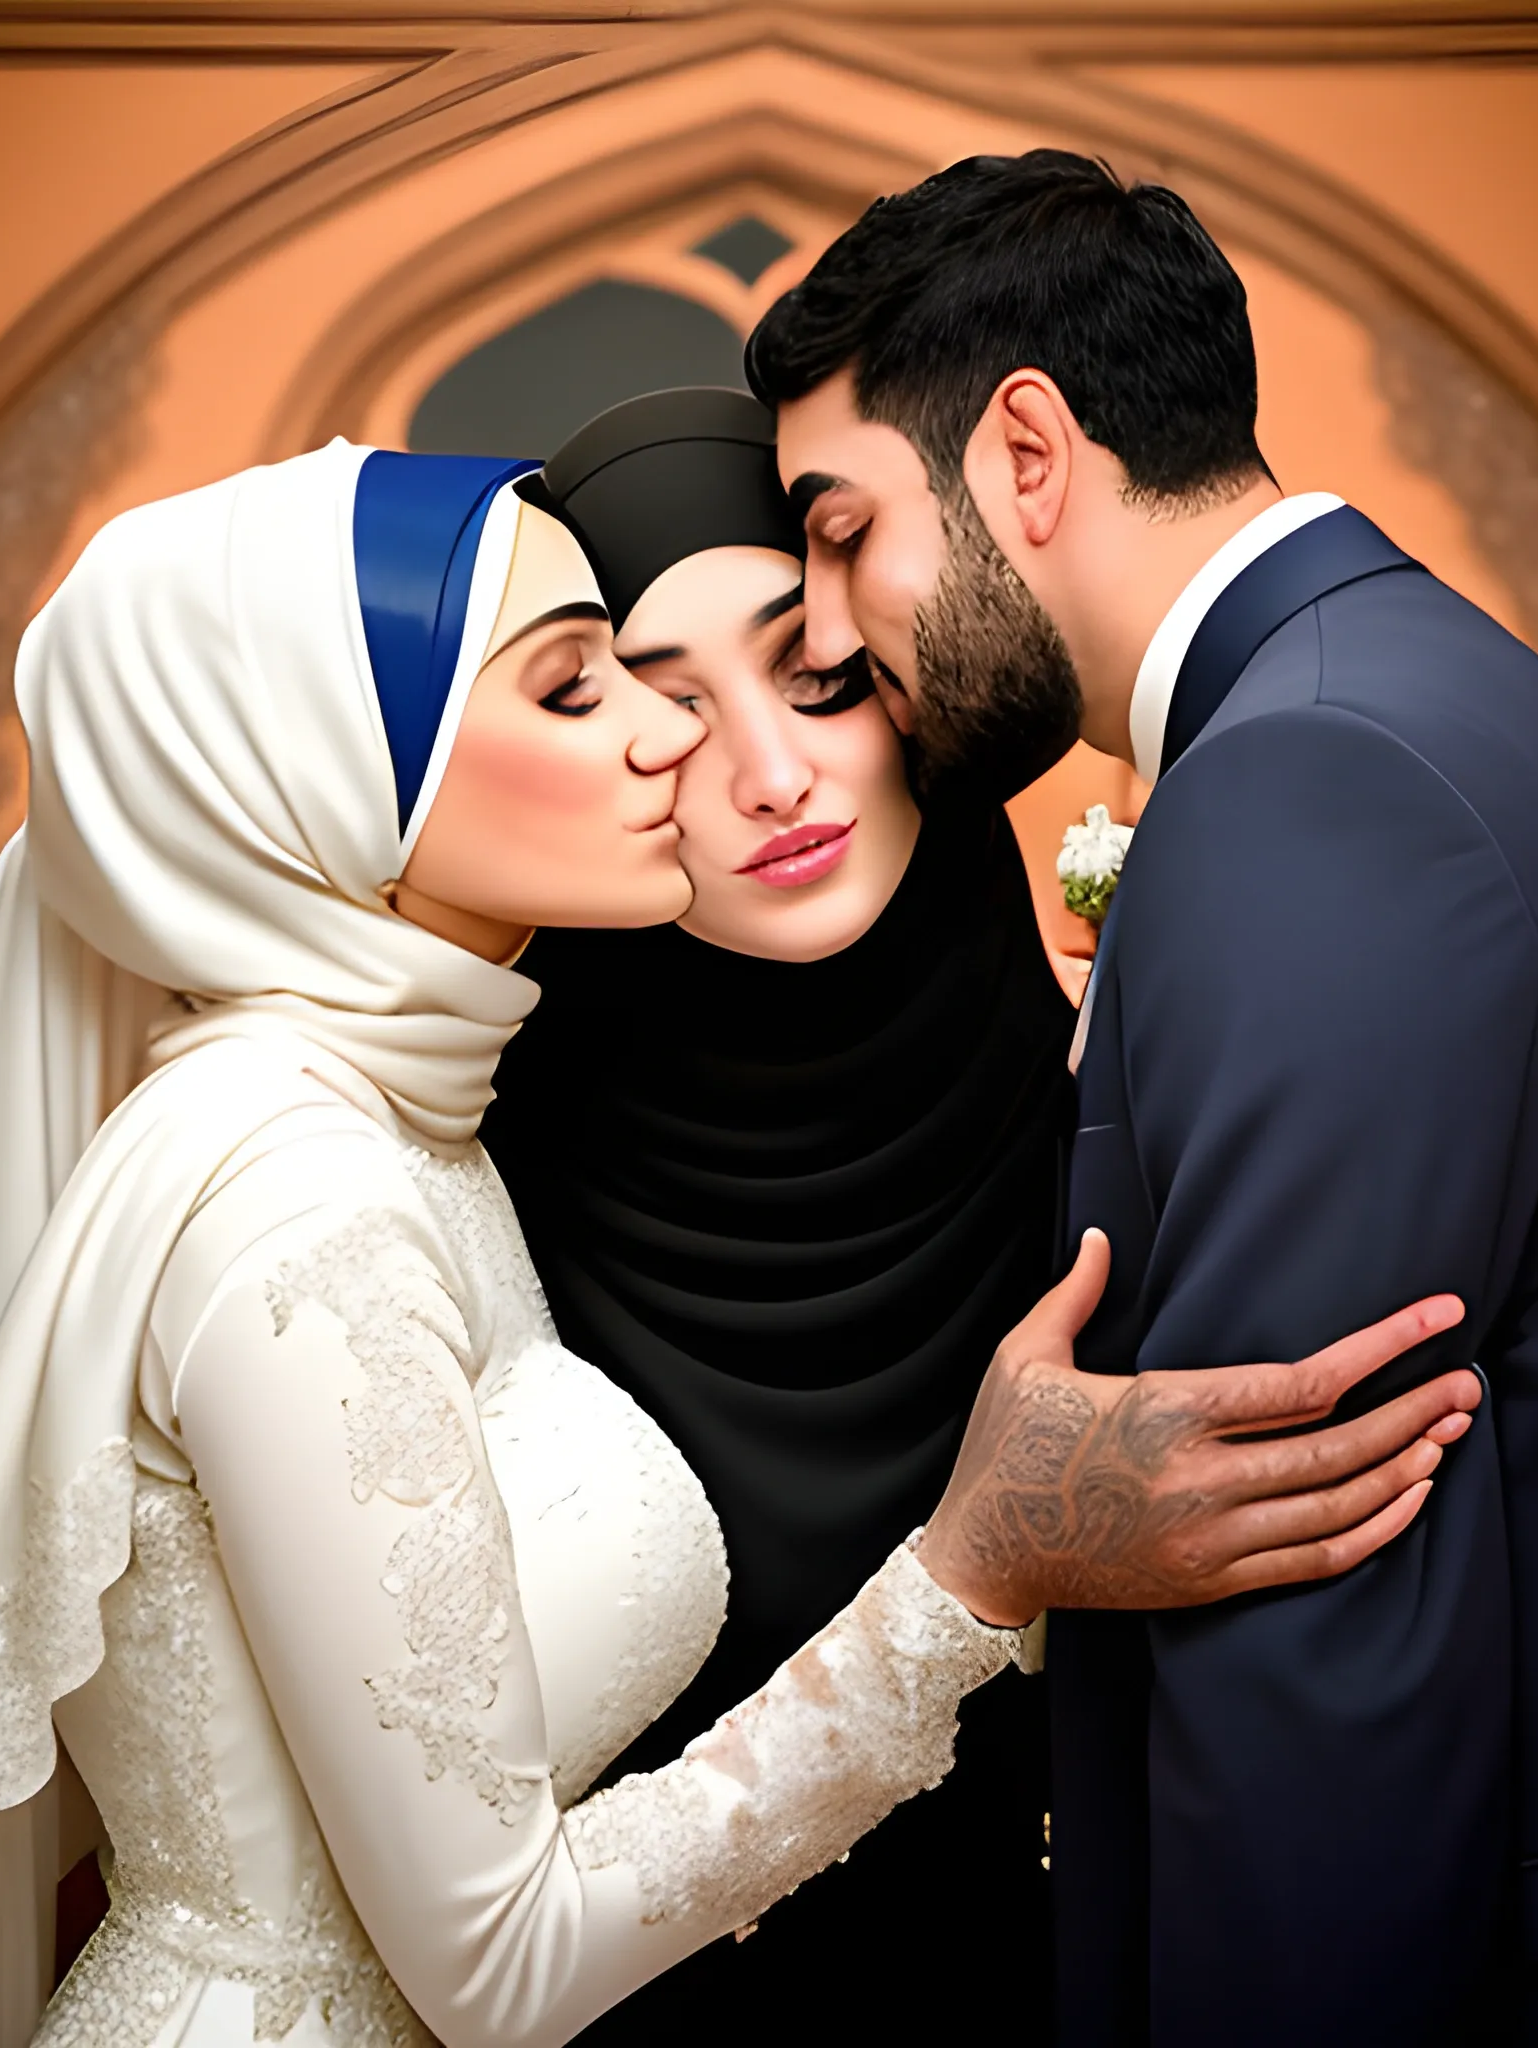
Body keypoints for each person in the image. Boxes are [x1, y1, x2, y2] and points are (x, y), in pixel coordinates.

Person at [0, 439, 1476, 2048]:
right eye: (595, 691)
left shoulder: (417, 1121)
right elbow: (492, 1949)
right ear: (330, 771)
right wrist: (980, 1569)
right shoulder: (313, 1188)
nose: (713, 758)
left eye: (821, 677)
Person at [748, 148, 1538, 2044]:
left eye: (841, 529)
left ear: (1028, 452)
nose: (829, 625)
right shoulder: (1380, 690)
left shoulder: (1311, 780)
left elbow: (1310, 1581)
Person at [485, 387, 1068, 2040]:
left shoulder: (1133, 1112)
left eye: (818, 680)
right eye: (663, 718)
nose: (767, 772)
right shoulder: (466, 1187)